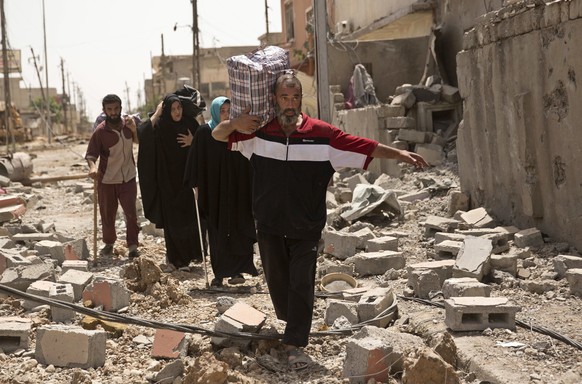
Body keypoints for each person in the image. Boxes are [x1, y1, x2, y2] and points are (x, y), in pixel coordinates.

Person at [211, 72, 429, 371]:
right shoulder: (259, 134)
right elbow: (217, 135)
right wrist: (235, 123)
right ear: (274, 99)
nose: (290, 104)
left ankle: (294, 342)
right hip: (269, 224)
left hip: (306, 226)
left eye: (295, 98)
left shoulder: (323, 136)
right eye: (284, 98)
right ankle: (292, 324)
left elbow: (363, 146)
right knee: (278, 283)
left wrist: (399, 154)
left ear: (301, 100)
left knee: (302, 282)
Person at [185, 96, 259, 287]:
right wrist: (197, 186)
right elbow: (195, 161)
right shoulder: (204, 133)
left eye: (229, 110)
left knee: (239, 225)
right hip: (214, 190)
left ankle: (238, 270)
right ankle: (219, 273)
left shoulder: (238, 132)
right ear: (216, 112)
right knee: (216, 230)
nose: (226, 114)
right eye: (223, 111)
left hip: (237, 188)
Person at [137, 94, 204, 270]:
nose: (177, 112)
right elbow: (143, 133)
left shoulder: (190, 124)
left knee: (190, 219)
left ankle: (190, 256)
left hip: (187, 181)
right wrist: (158, 113)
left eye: (179, 108)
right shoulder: (160, 125)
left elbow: (205, 142)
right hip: (167, 183)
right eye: (173, 109)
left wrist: (193, 141)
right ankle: (176, 259)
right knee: (173, 222)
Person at [86, 94, 141, 259]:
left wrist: (133, 130)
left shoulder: (128, 126)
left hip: (128, 178)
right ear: (104, 111)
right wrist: (93, 168)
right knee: (108, 214)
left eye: (116, 108)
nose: (113, 112)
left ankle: (132, 247)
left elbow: (139, 141)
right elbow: (90, 155)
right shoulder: (100, 131)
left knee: (131, 214)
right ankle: (109, 244)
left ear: (120, 108)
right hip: (107, 180)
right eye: (109, 109)